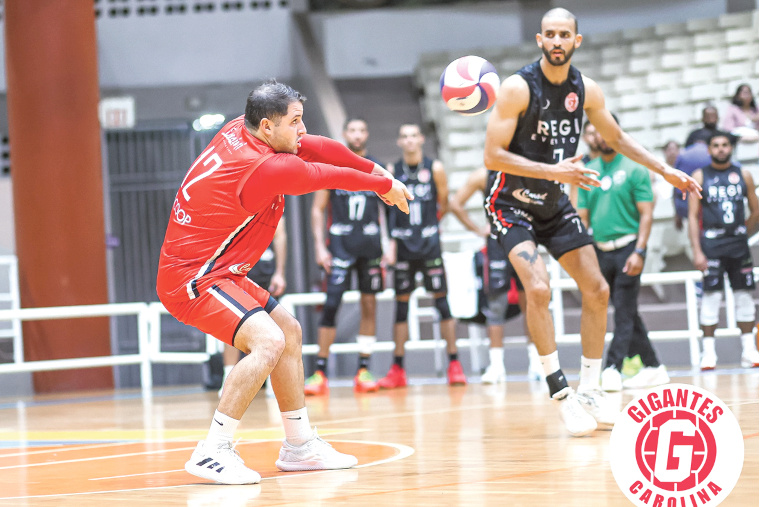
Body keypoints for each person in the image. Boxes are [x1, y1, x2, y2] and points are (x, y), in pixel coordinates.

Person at [156, 81, 412, 485]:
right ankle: (213, 450)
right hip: (193, 278)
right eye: (295, 121)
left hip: (219, 270)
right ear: (267, 126)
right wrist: (384, 185)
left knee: (289, 331)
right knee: (268, 341)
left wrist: (374, 168)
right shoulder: (266, 167)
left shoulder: (244, 128)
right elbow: (323, 173)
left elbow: (319, 147)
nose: (302, 129)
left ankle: (299, 446)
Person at [482, 8, 701, 437]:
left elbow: (616, 139)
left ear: (576, 41)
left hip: (554, 201)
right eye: (550, 34)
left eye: (565, 34)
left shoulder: (586, 90)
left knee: (598, 289)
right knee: (539, 288)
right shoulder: (517, 88)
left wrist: (665, 170)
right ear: (540, 41)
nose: (557, 41)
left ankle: (590, 390)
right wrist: (553, 172)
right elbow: (492, 156)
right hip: (510, 202)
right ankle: (561, 395)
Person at [577, 117, 670, 392]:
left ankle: (612, 367)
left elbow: (647, 213)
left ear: (617, 133)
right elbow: (582, 218)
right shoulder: (589, 171)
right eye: (597, 133)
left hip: (629, 248)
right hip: (599, 250)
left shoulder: (635, 168)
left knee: (623, 310)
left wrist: (640, 250)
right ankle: (654, 367)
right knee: (625, 310)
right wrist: (585, 254)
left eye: (607, 132)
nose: (601, 137)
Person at [378, 123, 467, 388]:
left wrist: (429, 228)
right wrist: (391, 243)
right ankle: (398, 369)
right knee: (401, 307)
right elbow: (388, 211)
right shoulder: (394, 171)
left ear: (421, 139)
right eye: (404, 136)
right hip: (404, 248)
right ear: (399, 142)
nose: (409, 140)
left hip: (429, 246)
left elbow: (443, 202)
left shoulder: (435, 168)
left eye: (413, 136)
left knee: (442, 304)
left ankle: (454, 364)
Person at [305, 118, 389, 396]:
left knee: (369, 305)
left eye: (361, 130)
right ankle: (320, 372)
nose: (357, 134)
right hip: (339, 246)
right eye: (352, 130)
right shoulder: (333, 167)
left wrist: (389, 245)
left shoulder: (378, 169)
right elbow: (318, 209)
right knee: (331, 306)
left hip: (370, 246)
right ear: (344, 135)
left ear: (367, 134)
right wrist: (319, 245)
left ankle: (363, 369)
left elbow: (388, 209)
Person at [448, 166, 543, 383]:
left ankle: (537, 364)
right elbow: (454, 204)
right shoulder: (482, 175)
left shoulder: (526, 170)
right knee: (496, 304)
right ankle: (497, 366)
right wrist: (476, 229)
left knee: (531, 302)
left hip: (524, 239)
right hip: (497, 243)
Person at [687, 131, 759, 370]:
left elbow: (755, 210)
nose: (720, 149)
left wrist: (742, 233)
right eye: (716, 145)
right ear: (709, 149)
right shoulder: (700, 175)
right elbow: (692, 216)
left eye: (725, 145)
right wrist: (697, 251)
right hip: (711, 247)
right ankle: (708, 354)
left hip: (738, 246)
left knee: (744, 297)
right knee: (710, 298)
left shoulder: (743, 174)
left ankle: (749, 351)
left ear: (731, 148)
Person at [219, 219, 287, 397]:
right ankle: (228, 380)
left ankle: (275, 381)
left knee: (274, 325)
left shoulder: (272, 201)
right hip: (237, 268)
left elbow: (280, 235)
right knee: (230, 324)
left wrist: (279, 272)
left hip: (265, 269)